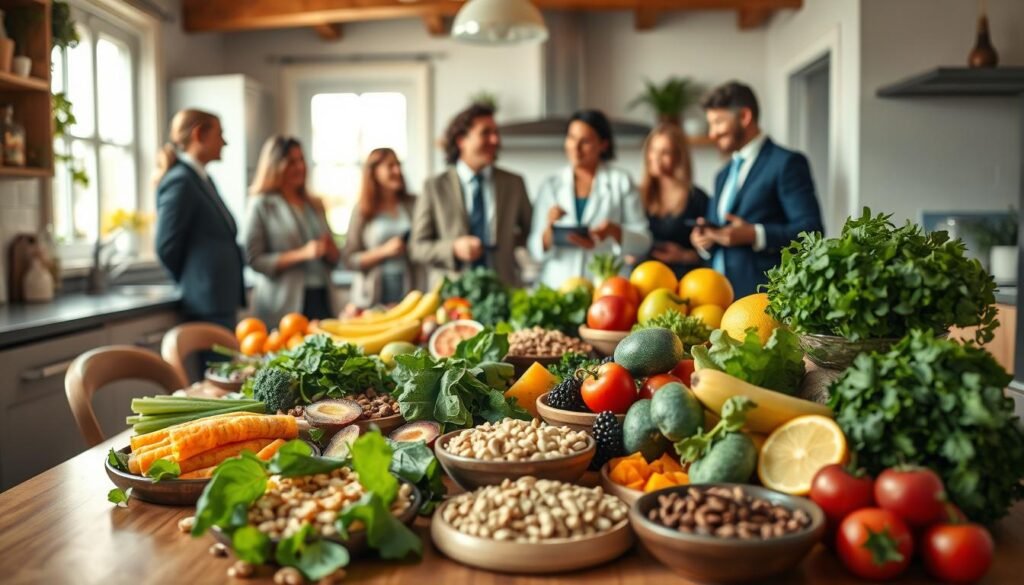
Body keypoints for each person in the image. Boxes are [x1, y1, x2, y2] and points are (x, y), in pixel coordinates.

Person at [692, 81, 823, 297]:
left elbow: (812, 231)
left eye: (718, 122)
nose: (712, 133)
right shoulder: (722, 174)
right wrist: (703, 240)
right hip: (715, 298)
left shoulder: (787, 163)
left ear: (744, 116)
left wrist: (754, 234)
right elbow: (719, 233)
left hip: (762, 298)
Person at [409, 103, 533, 287]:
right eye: (485, 133)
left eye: (496, 133)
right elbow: (417, 248)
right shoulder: (434, 187)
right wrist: (453, 248)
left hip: (504, 288)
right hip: (452, 294)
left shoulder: (514, 183)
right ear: (461, 140)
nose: (495, 140)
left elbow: (531, 232)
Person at [528, 109, 652, 289]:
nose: (575, 147)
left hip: (607, 287)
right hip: (557, 286)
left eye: (584, 141)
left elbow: (643, 242)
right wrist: (548, 229)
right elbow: (534, 249)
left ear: (603, 144)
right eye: (571, 138)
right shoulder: (550, 185)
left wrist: (614, 231)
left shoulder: (621, 181)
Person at [154, 109, 245, 331]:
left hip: (219, 300)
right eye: (219, 134)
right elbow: (166, 246)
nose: (225, 142)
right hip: (205, 302)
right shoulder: (181, 182)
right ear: (199, 135)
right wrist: (195, 279)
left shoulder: (202, 180)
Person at [244, 136, 341, 325]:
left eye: (301, 160)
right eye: (291, 162)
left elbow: (336, 257)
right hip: (284, 302)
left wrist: (331, 251)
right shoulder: (261, 204)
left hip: (322, 297)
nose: (300, 167)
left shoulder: (314, 204)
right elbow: (254, 260)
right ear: (275, 165)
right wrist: (302, 254)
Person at [343, 148, 424, 307]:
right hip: (372, 294)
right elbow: (349, 260)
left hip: (409, 287)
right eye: (390, 166)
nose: (398, 170)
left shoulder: (414, 203)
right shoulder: (362, 210)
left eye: (399, 165)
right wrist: (384, 251)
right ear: (374, 172)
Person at [639, 123, 710, 278]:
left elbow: (710, 252)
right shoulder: (637, 196)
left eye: (665, 152)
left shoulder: (697, 198)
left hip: (684, 281)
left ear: (679, 157)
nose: (656, 158)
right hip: (644, 279)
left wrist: (683, 256)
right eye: (653, 150)